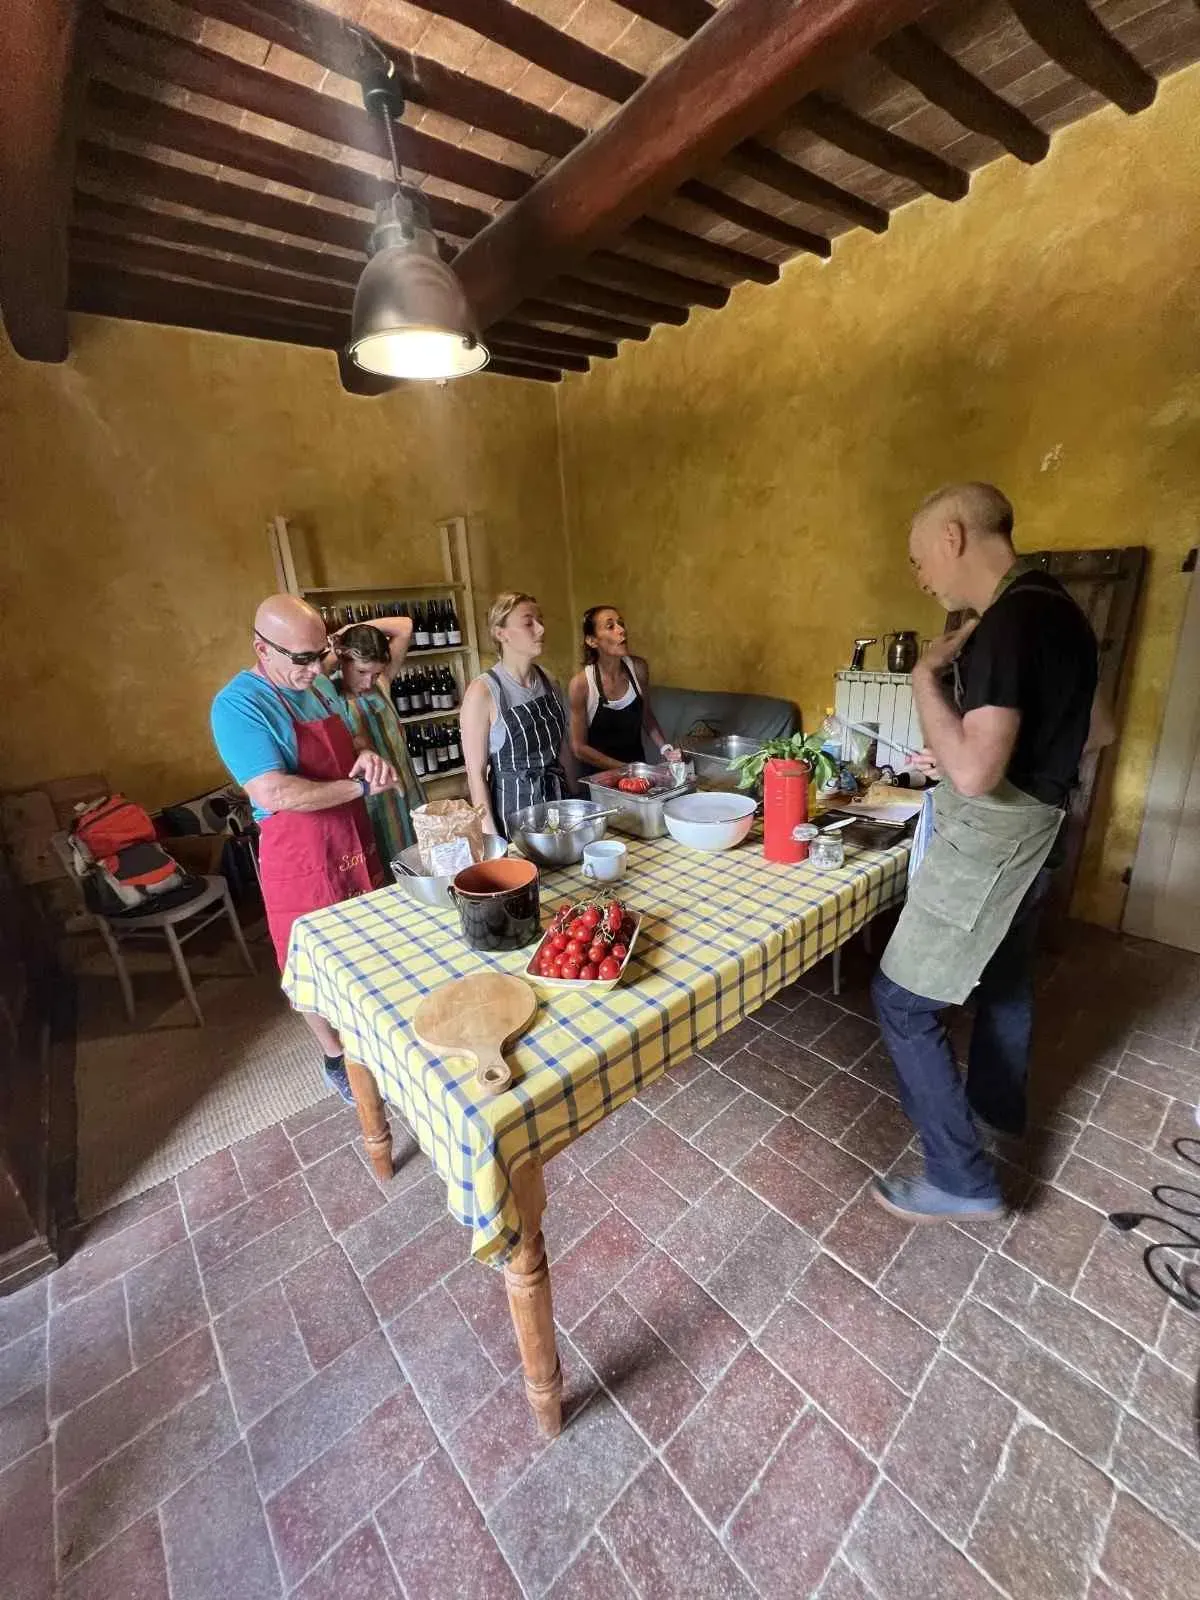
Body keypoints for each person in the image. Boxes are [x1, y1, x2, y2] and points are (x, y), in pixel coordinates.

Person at [870, 483, 1110, 1223]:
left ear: (953, 536)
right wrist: (974, 750)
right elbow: (1096, 731)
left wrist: (923, 681)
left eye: (919, 560)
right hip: (1039, 831)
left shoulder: (1008, 621)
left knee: (903, 1003)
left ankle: (961, 1177)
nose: (921, 577)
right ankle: (997, 1108)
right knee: (1004, 979)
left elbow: (976, 772)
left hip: (996, 839)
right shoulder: (1061, 608)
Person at [211, 594, 397, 1103]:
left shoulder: (315, 687)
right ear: (261, 648)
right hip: (300, 853)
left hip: (353, 835)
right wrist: (360, 789)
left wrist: (367, 757)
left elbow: (351, 740)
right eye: (304, 659)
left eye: (323, 654)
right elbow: (274, 791)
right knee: (307, 959)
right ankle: (335, 1055)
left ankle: (373, 1037)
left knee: (369, 942)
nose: (317, 669)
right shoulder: (238, 705)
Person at [460, 592, 576, 837]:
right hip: (513, 816)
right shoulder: (483, 692)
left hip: (557, 806)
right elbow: (476, 775)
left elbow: (563, 748)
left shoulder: (550, 681)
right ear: (500, 633)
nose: (541, 629)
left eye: (540, 620)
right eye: (528, 622)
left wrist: (577, 802)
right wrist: (491, 838)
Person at [326, 619, 424, 868]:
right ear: (341, 659)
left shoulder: (381, 684)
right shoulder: (326, 693)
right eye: (361, 671)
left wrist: (345, 632)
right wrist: (338, 642)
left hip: (409, 797)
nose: (368, 681)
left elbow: (405, 626)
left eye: (376, 672)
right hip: (371, 807)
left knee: (419, 866)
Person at [567, 605, 679, 773]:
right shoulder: (581, 685)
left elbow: (646, 716)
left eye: (621, 624)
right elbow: (578, 748)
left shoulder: (638, 668)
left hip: (639, 774)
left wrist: (666, 749)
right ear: (592, 641)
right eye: (610, 626)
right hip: (600, 780)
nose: (621, 630)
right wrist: (626, 769)